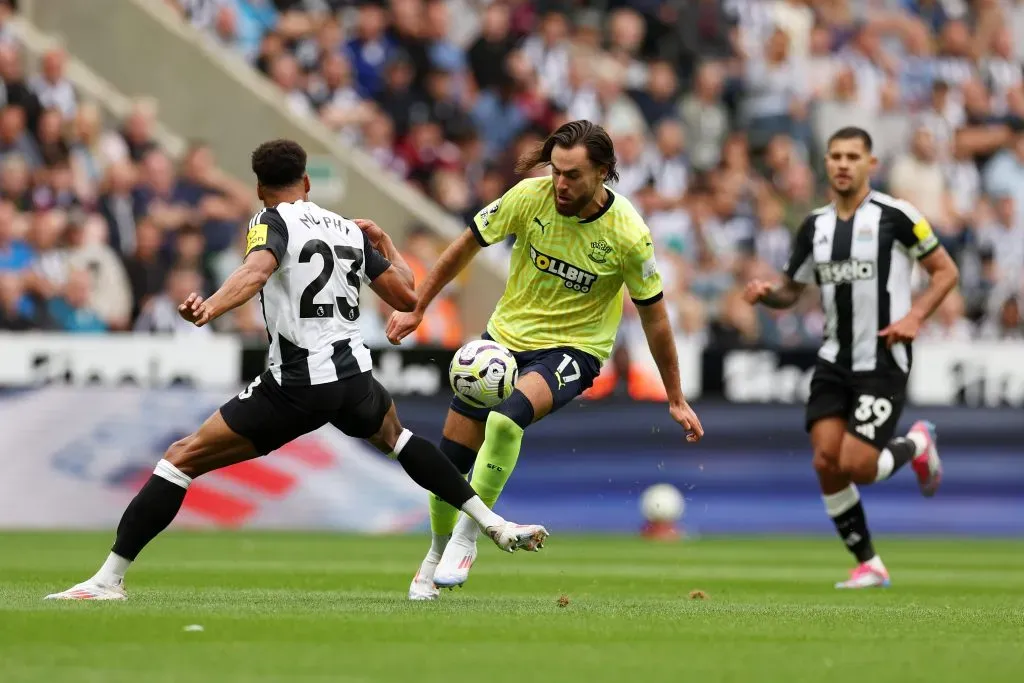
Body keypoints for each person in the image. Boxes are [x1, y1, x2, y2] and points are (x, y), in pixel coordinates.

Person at [44, 139, 548, 601]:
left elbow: (256, 270)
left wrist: (210, 307)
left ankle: (108, 580)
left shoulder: (270, 221)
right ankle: (492, 522)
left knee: (180, 459)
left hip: (298, 383)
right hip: (354, 377)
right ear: (307, 182)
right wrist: (390, 249)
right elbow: (406, 296)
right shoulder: (347, 228)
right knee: (398, 439)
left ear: (260, 189)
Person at [386, 120, 705, 600]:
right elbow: (466, 244)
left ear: (602, 172)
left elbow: (655, 318)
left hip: (574, 350)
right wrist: (418, 306)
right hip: (503, 340)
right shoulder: (527, 197)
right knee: (450, 462)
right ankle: (433, 556)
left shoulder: (628, 234)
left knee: (506, 419)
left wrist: (675, 397)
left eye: (572, 175)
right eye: (555, 171)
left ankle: (470, 536)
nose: (560, 183)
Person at [743, 127, 959, 589]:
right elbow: (792, 290)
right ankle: (869, 564)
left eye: (852, 156)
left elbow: (945, 271)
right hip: (834, 359)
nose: (843, 164)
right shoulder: (814, 226)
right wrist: (768, 294)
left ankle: (917, 443)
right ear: (826, 163)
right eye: (835, 156)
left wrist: (915, 317)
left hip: (883, 358)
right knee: (826, 461)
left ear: (870, 164)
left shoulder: (898, 216)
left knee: (859, 465)